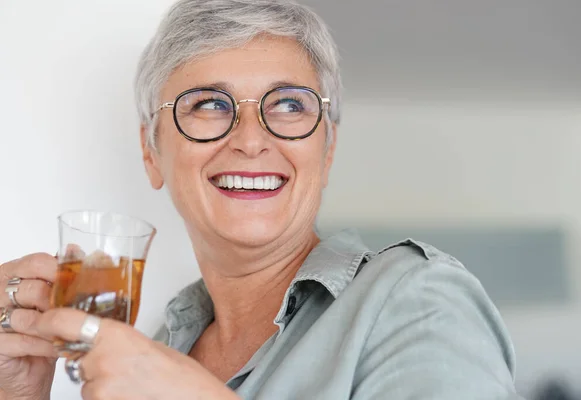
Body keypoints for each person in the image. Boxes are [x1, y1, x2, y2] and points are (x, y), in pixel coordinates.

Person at [0, 0, 525, 399]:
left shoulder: (420, 300)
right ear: (152, 152)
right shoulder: (163, 343)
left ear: (328, 148)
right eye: (208, 103)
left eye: (290, 105)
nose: (251, 139)